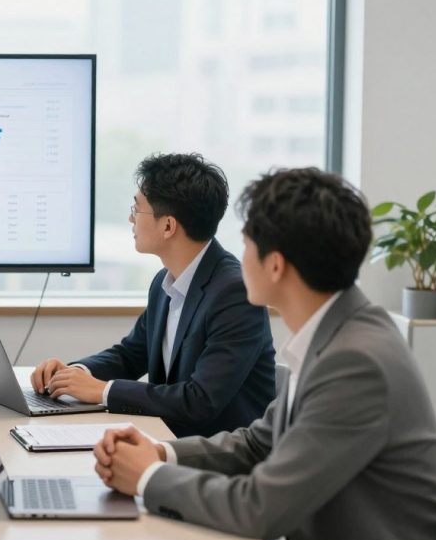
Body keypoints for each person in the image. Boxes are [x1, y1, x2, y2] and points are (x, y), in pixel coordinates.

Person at [94, 169, 436, 540]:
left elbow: (260, 508)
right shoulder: (339, 331)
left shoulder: (355, 361)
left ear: (275, 265)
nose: (236, 257)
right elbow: (258, 442)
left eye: (246, 245)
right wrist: (159, 453)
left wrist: (147, 476)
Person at [31, 153, 275, 437]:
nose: (130, 218)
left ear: (168, 226)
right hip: (168, 440)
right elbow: (132, 354)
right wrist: (76, 374)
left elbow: (200, 401)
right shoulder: (166, 280)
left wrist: (102, 391)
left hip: (218, 458)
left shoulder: (235, 293)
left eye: (137, 209)